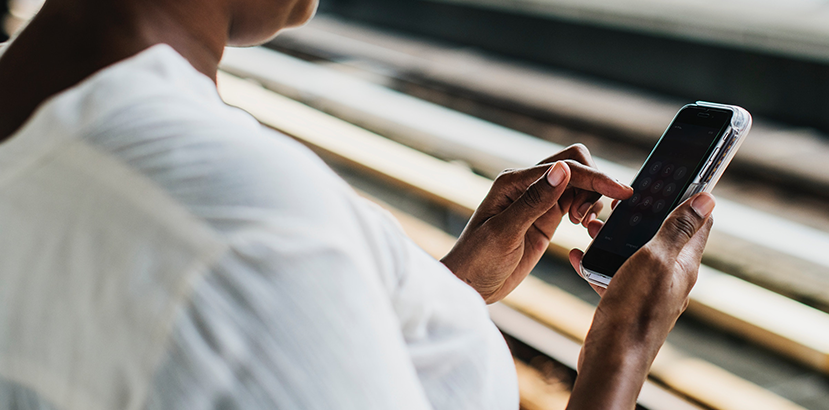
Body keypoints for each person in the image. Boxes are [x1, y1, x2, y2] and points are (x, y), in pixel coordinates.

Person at [0, 0, 715, 409]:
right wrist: (622, 347)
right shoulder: (239, 223)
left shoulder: (40, 110)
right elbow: (234, 284)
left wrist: (450, 288)